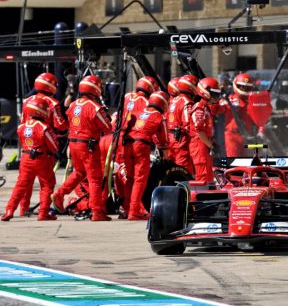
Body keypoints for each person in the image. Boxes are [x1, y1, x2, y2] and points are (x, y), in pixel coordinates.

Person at [51, 75, 112, 221]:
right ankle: (97, 212)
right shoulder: (95, 107)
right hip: (88, 146)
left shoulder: (73, 104)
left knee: (78, 173)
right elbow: (107, 127)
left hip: (73, 144)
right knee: (95, 179)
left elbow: (68, 120)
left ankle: (59, 194)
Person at [1, 97, 59, 221]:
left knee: (21, 185)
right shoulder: (43, 127)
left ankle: (9, 210)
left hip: (25, 157)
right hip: (40, 158)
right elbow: (54, 146)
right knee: (47, 184)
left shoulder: (21, 126)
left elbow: (23, 142)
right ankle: (43, 213)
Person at [19, 72, 68, 216]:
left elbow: (22, 123)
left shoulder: (26, 101)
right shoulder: (53, 103)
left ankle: (23, 208)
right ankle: (44, 211)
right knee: (46, 181)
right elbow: (60, 125)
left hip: (28, 145)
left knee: (25, 180)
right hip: (45, 146)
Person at [123, 91, 169, 220]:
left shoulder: (140, 111)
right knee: (140, 179)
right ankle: (134, 211)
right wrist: (166, 155)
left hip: (127, 144)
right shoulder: (160, 116)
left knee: (130, 178)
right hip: (141, 145)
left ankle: (126, 208)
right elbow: (163, 140)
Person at [221, 73, 265, 157]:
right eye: (241, 86)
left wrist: (261, 132)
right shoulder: (229, 100)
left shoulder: (254, 101)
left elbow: (262, 119)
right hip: (231, 136)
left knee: (248, 163)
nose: (244, 89)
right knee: (233, 162)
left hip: (248, 137)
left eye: (247, 87)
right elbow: (214, 109)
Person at [190, 78, 221, 182]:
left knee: (209, 177)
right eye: (214, 94)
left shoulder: (206, 107)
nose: (217, 97)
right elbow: (199, 131)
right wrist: (211, 145)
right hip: (199, 145)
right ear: (206, 92)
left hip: (205, 143)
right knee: (202, 177)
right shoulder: (199, 108)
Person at [167, 75, 198, 174]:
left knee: (172, 168)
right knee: (184, 170)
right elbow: (188, 124)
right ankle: (183, 189)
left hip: (171, 138)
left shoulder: (173, 100)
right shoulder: (187, 102)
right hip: (181, 140)